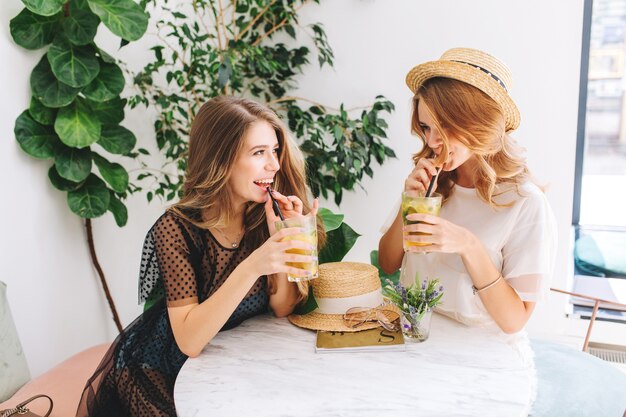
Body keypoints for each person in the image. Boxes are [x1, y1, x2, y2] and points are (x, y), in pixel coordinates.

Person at [77, 96, 324, 417]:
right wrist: (252, 266)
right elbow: (189, 342)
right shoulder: (174, 229)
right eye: (259, 152)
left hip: (225, 364)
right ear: (221, 159)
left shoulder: (259, 216)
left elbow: (282, 308)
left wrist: (284, 235)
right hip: (158, 369)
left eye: (274, 150)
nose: (274, 165)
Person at [378, 48, 557, 339]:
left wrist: (469, 245)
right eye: (425, 127)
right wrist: (408, 203)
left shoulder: (526, 203)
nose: (433, 142)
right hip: (411, 334)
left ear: (478, 123)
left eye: (445, 127)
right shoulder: (431, 181)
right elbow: (388, 263)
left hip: (476, 354)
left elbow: (514, 320)